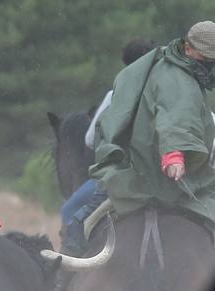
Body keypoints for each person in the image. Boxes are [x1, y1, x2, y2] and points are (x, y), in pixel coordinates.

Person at [59, 21, 215, 254]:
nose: (209, 64)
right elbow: (174, 118)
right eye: (206, 58)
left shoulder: (143, 76)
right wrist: (173, 154)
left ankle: (64, 271)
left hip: (129, 173)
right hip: (168, 176)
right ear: (188, 48)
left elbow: (93, 138)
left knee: (77, 223)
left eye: (213, 60)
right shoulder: (179, 78)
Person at [59, 36, 156, 250]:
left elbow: (90, 140)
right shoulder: (168, 95)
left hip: (122, 179)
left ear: (127, 66)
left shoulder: (115, 96)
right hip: (167, 177)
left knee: (70, 212)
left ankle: (68, 264)